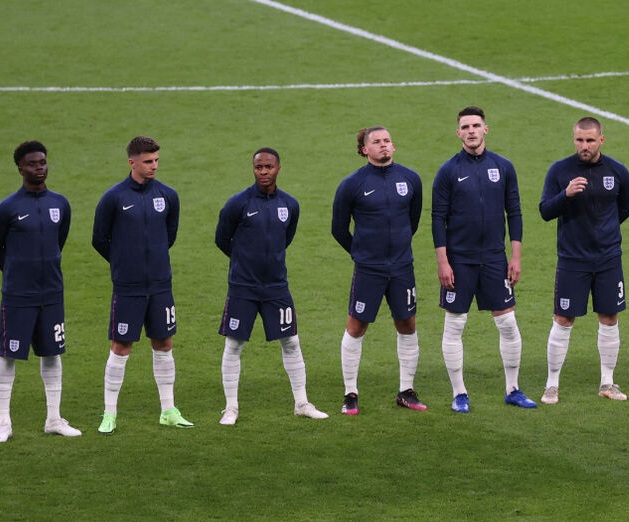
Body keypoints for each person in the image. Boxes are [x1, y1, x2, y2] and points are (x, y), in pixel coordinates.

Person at [432, 106, 535, 413]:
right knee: (455, 325)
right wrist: (443, 262)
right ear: (458, 133)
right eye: (466, 127)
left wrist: (515, 257)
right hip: (459, 261)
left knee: (508, 323)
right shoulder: (448, 171)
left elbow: (514, 212)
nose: (471, 131)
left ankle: (513, 389)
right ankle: (459, 393)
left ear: (485, 129)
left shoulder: (503, 167)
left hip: (494, 259)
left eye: (476, 125)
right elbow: (438, 219)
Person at [215, 148, 328, 423]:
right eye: (259, 167)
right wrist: (244, 261)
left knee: (291, 341)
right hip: (242, 287)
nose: (264, 172)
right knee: (234, 344)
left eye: (268, 167)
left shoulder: (290, 205)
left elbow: (285, 239)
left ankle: (301, 403)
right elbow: (222, 239)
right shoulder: (238, 203)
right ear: (253, 169)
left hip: (277, 286)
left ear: (278, 168)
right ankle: (231, 407)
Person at [92, 136, 192, 433]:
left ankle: (168, 410)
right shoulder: (114, 197)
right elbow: (99, 239)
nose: (154, 166)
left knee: (164, 343)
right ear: (132, 162)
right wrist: (124, 263)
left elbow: (169, 236)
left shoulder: (168, 195)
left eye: (156, 160)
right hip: (128, 287)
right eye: (148, 161)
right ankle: (109, 414)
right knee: (121, 346)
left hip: (160, 284)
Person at [0, 141, 81, 442]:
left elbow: (58, 241)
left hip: (52, 294)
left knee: (52, 353)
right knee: (7, 354)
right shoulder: (7, 208)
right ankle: (4, 423)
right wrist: (17, 272)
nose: (39, 167)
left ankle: (54, 419)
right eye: (32, 163)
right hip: (18, 295)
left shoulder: (60, 204)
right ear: (20, 168)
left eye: (42, 162)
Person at [539, 117, 629, 404]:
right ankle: (551, 385)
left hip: (608, 260)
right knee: (563, 319)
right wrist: (565, 195)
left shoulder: (617, 171)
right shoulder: (560, 170)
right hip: (572, 260)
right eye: (580, 140)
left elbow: (625, 209)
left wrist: (604, 232)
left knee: (609, 318)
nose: (585, 146)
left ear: (601, 140)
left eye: (590, 140)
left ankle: (607, 382)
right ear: (574, 139)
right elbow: (545, 211)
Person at [332, 127, 426, 415]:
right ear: (365, 150)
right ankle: (350, 392)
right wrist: (361, 254)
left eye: (387, 141)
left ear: (393, 146)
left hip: (402, 267)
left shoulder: (410, 179)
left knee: (407, 324)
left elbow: (413, 221)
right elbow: (338, 229)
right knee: (357, 326)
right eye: (376, 142)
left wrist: (396, 249)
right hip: (369, 270)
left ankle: (406, 390)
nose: (383, 145)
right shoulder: (352, 184)